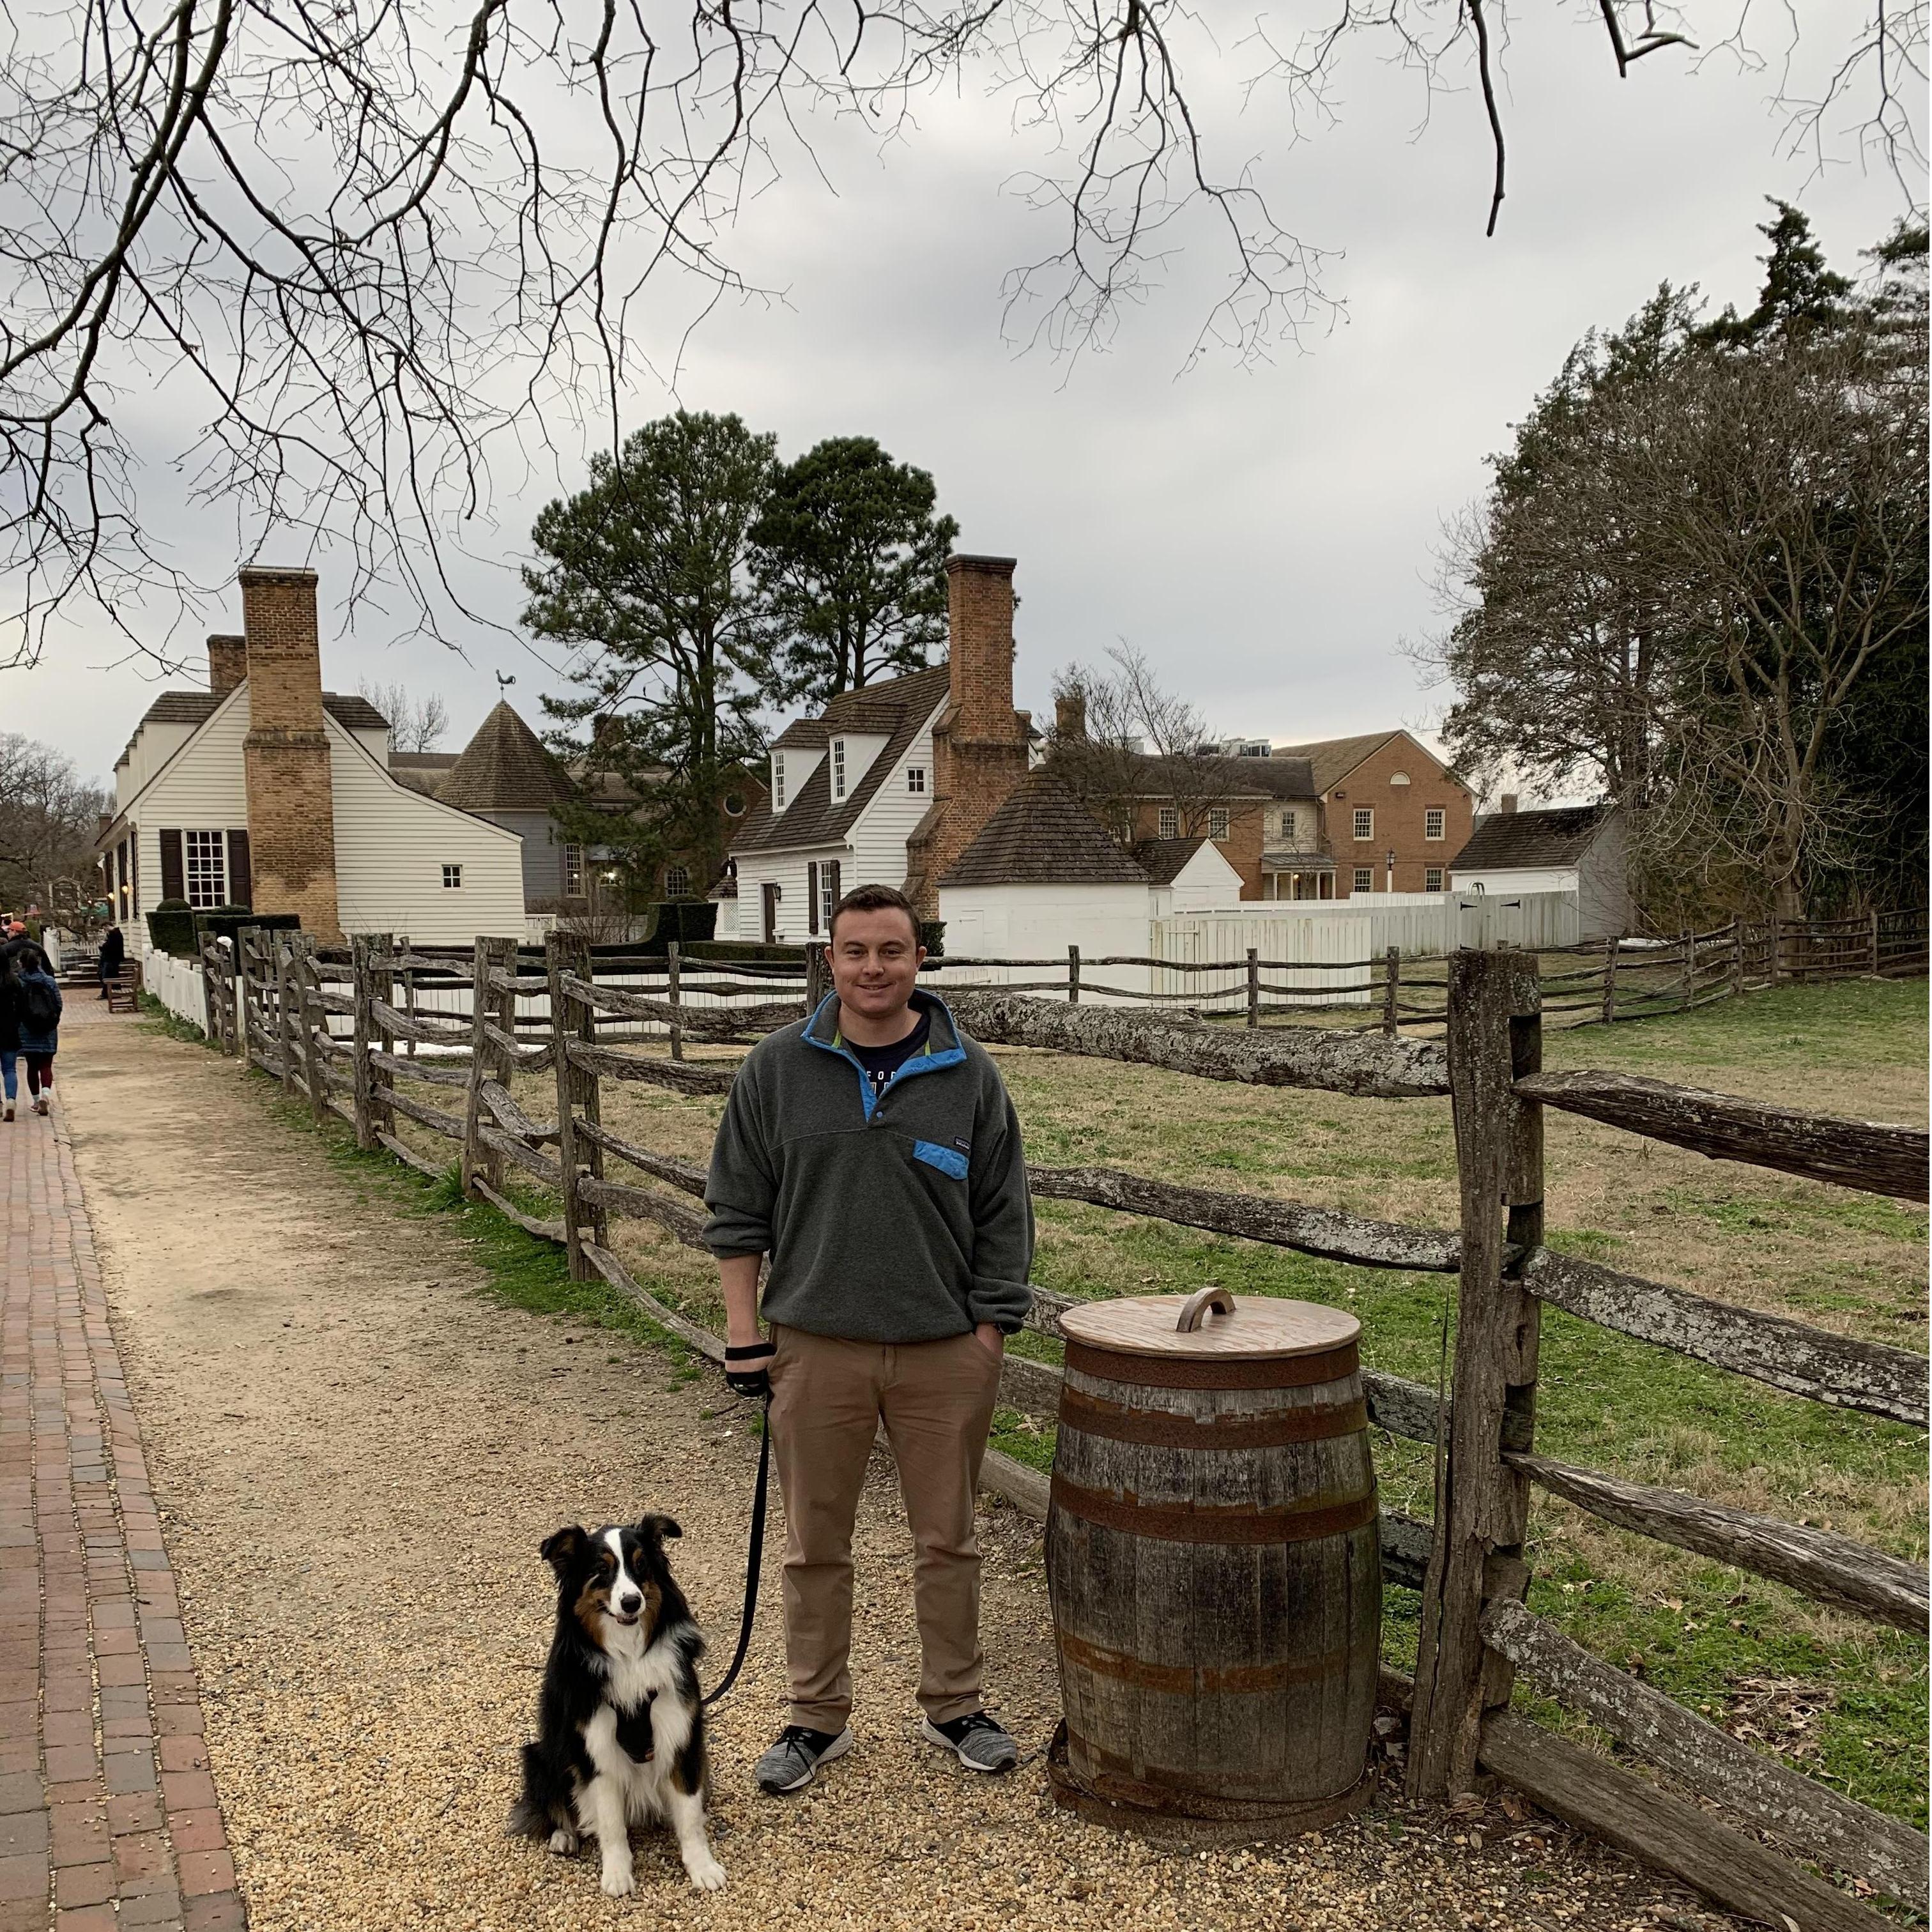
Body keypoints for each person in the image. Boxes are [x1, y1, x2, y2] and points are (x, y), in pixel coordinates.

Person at [704, 882, 1034, 1796]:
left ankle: (955, 1705)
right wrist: (744, 1331)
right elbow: (737, 1207)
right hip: (815, 1346)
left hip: (943, 1350)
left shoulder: (969, 1075)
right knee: (815, 1543)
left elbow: (1004, 1211)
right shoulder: (776, 1070)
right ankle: (815, 1717)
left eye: (892, 950)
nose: (874, 968)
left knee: (948, 1540)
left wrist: (988, 1330)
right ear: (830, 962)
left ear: (920, 958)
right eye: (855, 951)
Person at [1, 933, 59, 1119]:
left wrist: (21, 1023)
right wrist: (53, 1021)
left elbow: (20, 1007)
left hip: (26, 1030)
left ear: (21, 963)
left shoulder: (20, 981)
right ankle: (43, 1095)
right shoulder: (47, 981)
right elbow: (58, 1003)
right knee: (43, 1064)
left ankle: (34, 1101)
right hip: (44, 1028)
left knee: (32, 1065)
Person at [98, 923, 126, 999]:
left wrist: (103, 945)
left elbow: (111, 947)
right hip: (112, 959)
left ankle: (106, 993)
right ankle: (116, 992)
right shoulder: (113, 934)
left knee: (107, 977)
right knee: (114, 975)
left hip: (111, 959)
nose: (105, 930)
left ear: (108, 926)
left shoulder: (115, 934)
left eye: (105, 928)